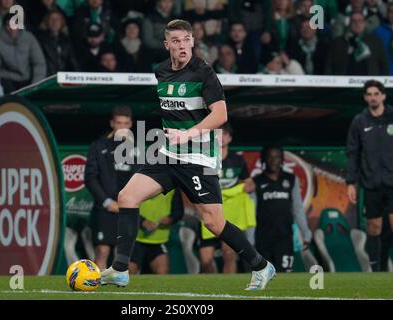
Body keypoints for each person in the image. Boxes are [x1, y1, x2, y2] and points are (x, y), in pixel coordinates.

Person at [101, 19, 276, 290]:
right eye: (176, 41)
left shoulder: (204, 73)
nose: (182, 46)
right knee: (127, 196)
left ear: (193, 41)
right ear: (167, 45)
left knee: (213, 222)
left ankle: (262, 266)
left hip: (199, 158)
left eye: (186, 40)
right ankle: (121, 269)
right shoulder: (160, 71)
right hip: (169, 154)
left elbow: (221, 115)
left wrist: (188, 134)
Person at [346, 79, 393, 271]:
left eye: (376, 93)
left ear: (383, 95)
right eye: (369, 94)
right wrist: (351, 182)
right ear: (365, 98)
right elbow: (352, 153)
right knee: (374, 228)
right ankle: (375, 270)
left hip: (392, 183)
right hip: (371, 184)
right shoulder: (359, 121)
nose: (373, 97)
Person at [84, 106, 138, 270]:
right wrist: (108, 202)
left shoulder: (137, 149)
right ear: (112, 123)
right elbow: (90, 178)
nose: (122, 127)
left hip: (127, 208)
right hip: (105, 209)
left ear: (130, 124)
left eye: (125, 123)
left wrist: (131, 201)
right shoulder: (99, 146)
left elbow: (140, 178)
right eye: (118, 123)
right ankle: (97, 288)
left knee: (122, 253)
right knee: (102, 250)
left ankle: (117, 290)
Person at [199, 123, 256, 274]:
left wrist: (240, 189)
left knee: (229, 254)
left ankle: (228, 291)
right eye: (217, 134)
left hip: (231, 215)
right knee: (205, 260)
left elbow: (249, 184)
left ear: (229, 137)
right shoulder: (205, 159)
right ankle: (209, 292)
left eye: (224, 134)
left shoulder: (238, 160)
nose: (221, 138)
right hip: (210, 211)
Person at [245, 145, 312, 272]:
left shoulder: (291, 179)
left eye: (277, 157)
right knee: (265, 276)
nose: (273, 160)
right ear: (263, 160)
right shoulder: (256, 181)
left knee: (285, 276)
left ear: (282, 160)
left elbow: (297, 209)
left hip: (285, 238)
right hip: (262, 239)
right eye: (269, 157)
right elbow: (251, 212)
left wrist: (306, 232)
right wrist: (250, 239)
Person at [129, 188, 184, 275]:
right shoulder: (136, 179)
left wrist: (170, 219)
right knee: (128, 273)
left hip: (158, 240)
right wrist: (142, 221)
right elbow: (126, 206)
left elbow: (178, 211)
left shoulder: (173, 185)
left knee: (163, 272)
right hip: (134, 239)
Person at [0, 13, 47, 93]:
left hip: (28, 79)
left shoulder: (29, 38)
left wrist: (36, 85)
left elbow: (39, 63)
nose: (12, 28)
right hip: (7, 79)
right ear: (4, 26)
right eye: (8, 25)